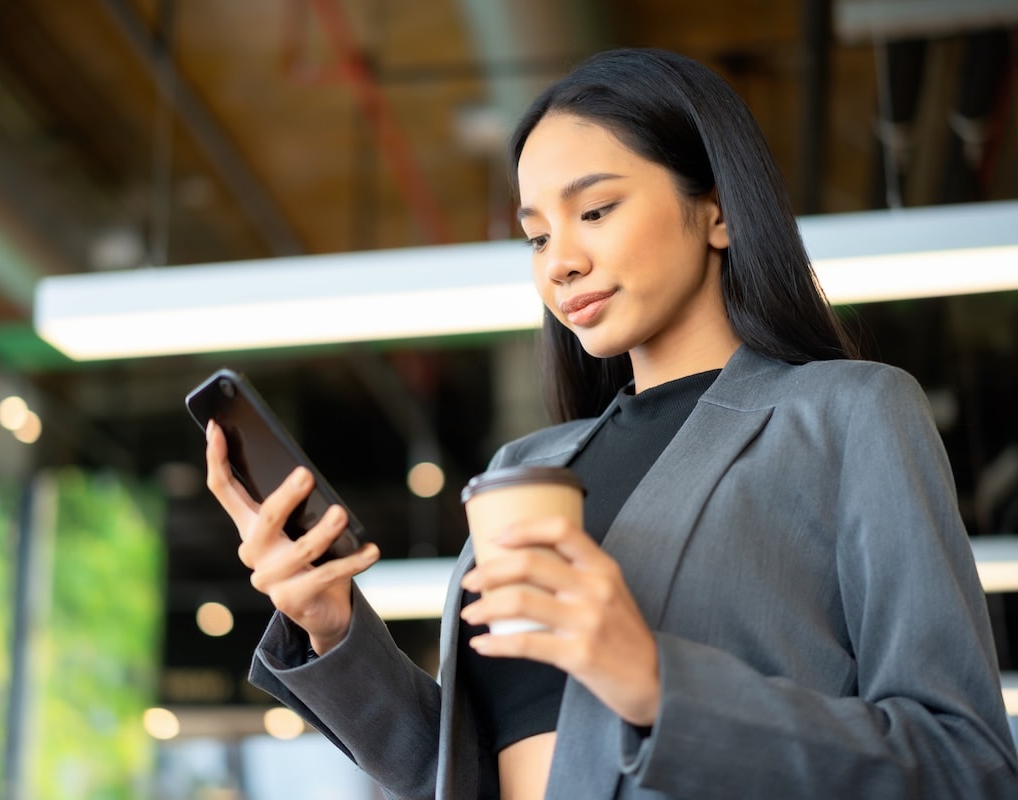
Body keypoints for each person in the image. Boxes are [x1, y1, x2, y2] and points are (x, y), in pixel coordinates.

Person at [204, 48, 1018, 799]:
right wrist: (332, 624)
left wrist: (657, 682)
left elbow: (965, 763)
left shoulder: (848, 414)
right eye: (536, 234)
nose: (558, 260)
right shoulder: (527, 468)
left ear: (718, 211)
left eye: (594, 210)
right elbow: (449, 773)